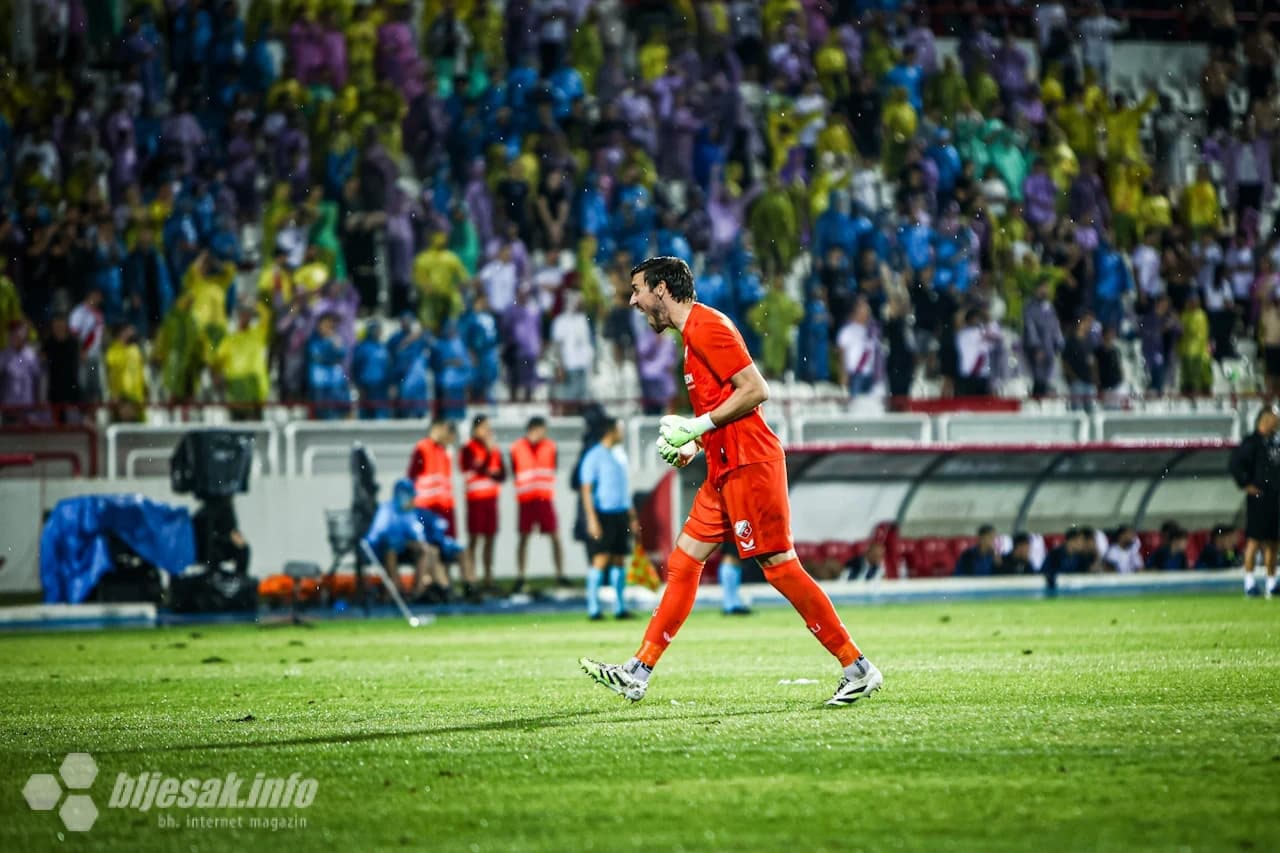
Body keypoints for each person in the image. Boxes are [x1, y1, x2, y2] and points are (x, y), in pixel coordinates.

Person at [581, 256, 881, 707]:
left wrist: (696, 427)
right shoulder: (690, 341)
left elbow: (756, 390)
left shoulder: (707, 327)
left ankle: (857, 666)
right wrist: (692, 444)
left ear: (661, 289)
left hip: (750, 464)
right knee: (684, 564)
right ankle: (637, 671)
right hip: (723, 469)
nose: (633, 300)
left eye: (638, 289)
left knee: (779, 566)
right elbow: (723, 408)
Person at [579, 417, 638, 621]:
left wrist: (632, 516)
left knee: (619, 559)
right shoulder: (594, 456)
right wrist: (592, 519)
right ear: (610, 431)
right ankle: (593, 609)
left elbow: (624, 489)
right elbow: (586, 490)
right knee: (601, 559)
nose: (622, 434)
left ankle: (620, 608)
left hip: (621, 513)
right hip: (603, 513)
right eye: (620, 430)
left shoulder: (620, 455)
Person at [363, 477, 448, 601]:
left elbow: (417, 536)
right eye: (411, 496)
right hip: (386, 550)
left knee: (425, 549)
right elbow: (375, 533)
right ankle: (397, 590)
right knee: (391, 549)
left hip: (406, 550)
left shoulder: (411, 512)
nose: (414, 500)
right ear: (402, 497)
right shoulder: (386, 509)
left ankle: (417, 591)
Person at [510, 415, 566, 593]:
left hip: (544, 499)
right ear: (534, 428)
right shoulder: (516, 448)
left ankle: (560, 575)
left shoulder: (551, 447)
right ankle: (521, 576)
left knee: (555, 537)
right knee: (523, 538)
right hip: (526, 500)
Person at [1229, 408, 1280, 597]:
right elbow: (1235, 464)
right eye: (1274, 419)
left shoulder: (1274, 443)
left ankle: (1271, 583)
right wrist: (1245, 484)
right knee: (1254, 540)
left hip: (1274, 497)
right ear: (1265, 420)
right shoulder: (1251, 443)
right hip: (1258, 498)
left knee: (1273, 542)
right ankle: (1249, 582)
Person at [460, 415, 505, 592]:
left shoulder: (495, 450)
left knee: (490, 540)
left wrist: (489, 465)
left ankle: (488, 579)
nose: (488, 431)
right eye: (484, 427)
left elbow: (502, 475)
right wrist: (487, 454)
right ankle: (471, 579)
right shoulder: (468, 448)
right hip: (475, 501)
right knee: (474, 540)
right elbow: (477, 468)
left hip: (491, 500)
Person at [408, 417, 459, 539]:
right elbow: (411, 476)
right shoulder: (422, 448)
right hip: (426, 508)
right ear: (435, 428)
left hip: (445, 507)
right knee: (428, 545)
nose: (446, 432)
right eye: (443, 428)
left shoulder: (445, 450)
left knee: (448, 544)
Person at [1043, 527, 1088, 592]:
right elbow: (1046, 571)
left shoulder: (1081, 557)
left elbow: (1084, 574)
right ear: (1072, 541)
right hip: (1054, 590)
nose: (1083, 544)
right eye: (1080, 540)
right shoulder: (1055, 554)